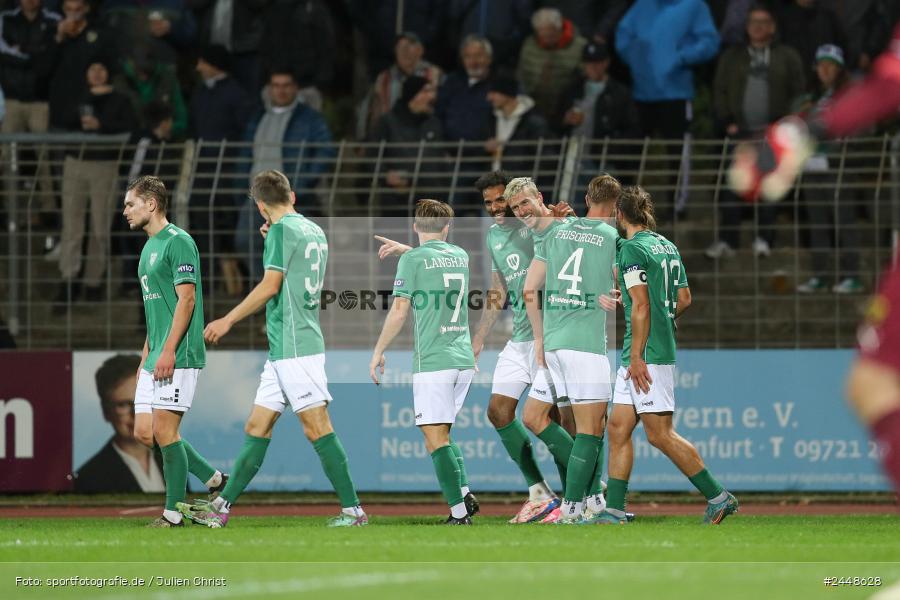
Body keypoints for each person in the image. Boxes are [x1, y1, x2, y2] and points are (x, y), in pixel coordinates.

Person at [373, 171, 576, 524]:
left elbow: (573, 249)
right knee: (499, 412)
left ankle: (585, 494)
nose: (497, 208)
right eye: (489, 203)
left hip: (553, 334)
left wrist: (569, 222)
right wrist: (479, 336)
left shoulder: (539, 226)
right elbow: (497, 289)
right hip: (521, 338)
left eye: (502, 201)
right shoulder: (495, 236)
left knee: (554, 420)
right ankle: (540, 493)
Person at [178, 170, 367, 528]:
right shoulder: (311, 229)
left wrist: (227, 319)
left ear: (261, 206)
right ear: (292, 196)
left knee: (317, 427)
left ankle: (353, 511)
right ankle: (222, 507)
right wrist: (272, 237)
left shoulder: (280, 231)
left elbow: (270, 286)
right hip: (285, 346)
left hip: (296, 345)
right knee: (257, 424)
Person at [594, 185, 739, 525]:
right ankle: (613, 510)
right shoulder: (666, 245)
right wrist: (658, 318)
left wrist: (637, 356)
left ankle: (718, 496)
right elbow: (684, 298)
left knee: (659, 434)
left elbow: (642, 304)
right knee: (617, 428)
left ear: (619, 215)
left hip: (645, 354)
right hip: (649, 346)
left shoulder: (631, 249)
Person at [122, 175, 224, 528]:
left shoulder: (179, 242)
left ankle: (173, 514)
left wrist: (167, 352)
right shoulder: (148, 248)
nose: (125, 211)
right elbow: (155, 310)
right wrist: (145, 356)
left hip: (177, 355)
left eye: (130, 203)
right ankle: (213, 479)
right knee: (144, 433)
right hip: (155, 355)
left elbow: (187, 300)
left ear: (151, 204)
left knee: (165, 433)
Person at [369, 199, 479, 525]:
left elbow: (400, 309)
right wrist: (409, 251)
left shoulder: (414, 261)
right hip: (462, 360)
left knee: (434, 438)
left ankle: (459, 514)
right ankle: (465, 491)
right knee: (443, 434)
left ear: (415, 226)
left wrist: (378, 350)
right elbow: (435, 258)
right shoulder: (461, 256)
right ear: (447, 228)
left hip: (434, 360)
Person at [522, 174, 618, 524]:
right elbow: (622, 285)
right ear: (616, 206)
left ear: (588, 198)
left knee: (558, 422)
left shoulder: (558, 230)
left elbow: (530, 288)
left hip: (555, 344)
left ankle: (587, 502)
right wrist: (615, 296)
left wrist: (539, 337)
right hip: (587, 344)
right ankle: (575, 506)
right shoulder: (612, 237)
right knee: (592, 431)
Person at [706, 4, 805, 260]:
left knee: (769, 188)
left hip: (773, 135)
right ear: (746, 27)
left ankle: (764, 239)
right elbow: (720, 90)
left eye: (764, 22)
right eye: (753, 22)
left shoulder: (787, 56)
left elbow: (799, 92)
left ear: (772, 27)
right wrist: (727, 120)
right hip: (740, 133)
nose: (758, 27)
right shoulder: (732, 56)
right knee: (732, 186)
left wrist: (787, 124)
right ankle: (727, 240)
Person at [235, 68, 334, 279]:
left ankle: (288, 289)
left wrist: (303, 183)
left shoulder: (309, 118)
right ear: (269, 89)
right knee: (245, 241)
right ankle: (267, 287)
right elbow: (245, 153)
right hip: (257, 195)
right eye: (276, 86)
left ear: (296, 89)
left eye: (286, 85)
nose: (281, 91)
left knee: (294, 247)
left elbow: (325, 150)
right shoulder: (258, 116)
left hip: (287, 196)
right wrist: (241, 186)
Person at [54, 58, 137, 308]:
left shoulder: (120, 99)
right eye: (93, 69)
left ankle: (94, 281)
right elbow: (62, 118)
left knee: (101, 226)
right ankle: (69, 278)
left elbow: (129, 126)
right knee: (72, 225)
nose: (98, 73)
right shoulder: (77, 95)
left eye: (102, 68)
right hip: (75, 162)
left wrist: (102, 126)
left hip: (105, 164)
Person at [793, 45, 862, 295]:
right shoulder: (811, 97)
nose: (825, 69)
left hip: (838, 168)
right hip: (812, 167)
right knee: (817, 222)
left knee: (843, 221)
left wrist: (834, 152)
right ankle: (820, 275)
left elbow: (859, 130)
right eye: (821, 64)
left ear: (840, 69)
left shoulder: (849, 95)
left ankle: (852, 275)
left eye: (830, 65)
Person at [0, 0, 60, 222]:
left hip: (40, 101)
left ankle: (48, 209)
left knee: (44, 156)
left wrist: (21, 50)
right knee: (6, 157)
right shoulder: (6, 19)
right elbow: (3, 54)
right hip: (12, 100)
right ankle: (11, 209)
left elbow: (51, 56)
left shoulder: (53, 20)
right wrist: (35, 54)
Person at [74, 354, 165, 493]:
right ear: (106, 411)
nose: (137, 414)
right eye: (123, 405)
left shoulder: (170, 460)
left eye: (144, 401)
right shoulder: (90, 477)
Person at [368, 75, 446, 216]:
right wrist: (385, 175)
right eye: (426, 91)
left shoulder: (434, 123)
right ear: (413, 95)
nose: (432, 96)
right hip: (396, 202)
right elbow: (372, 156)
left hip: (431, 203)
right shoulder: (387, 123)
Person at [356, 32, 443, 140]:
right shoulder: (384, 79)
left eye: (409, 46)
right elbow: (367, 109)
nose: (404, 52)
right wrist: (362, 139)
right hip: (390, 137)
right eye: (400, 48)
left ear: (420, 50)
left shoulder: (435, 75)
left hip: (426, 136)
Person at [516, 7, 586, 130]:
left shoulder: (580, 46)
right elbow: (521, 75)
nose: (547, 40)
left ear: (559, 29)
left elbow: (585, 80)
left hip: (566, 112)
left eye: (551, 35)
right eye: (542, 36)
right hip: (534, 109)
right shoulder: (529, 45)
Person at [482, 74, 548, 176]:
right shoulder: (491, 116)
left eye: (494, 92)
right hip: (493, 183)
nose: (489, 97)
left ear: (507, 93)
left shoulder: (534, 122)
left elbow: (543, 156)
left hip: (520, 185)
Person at [435, 34, 493, 144]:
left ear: (489, 59)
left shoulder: (500, 84)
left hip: (486, 154)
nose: (473, 62)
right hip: (452, 152)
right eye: (468, 57)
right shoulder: (451, 83)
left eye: (478, 55)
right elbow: (438, 115)